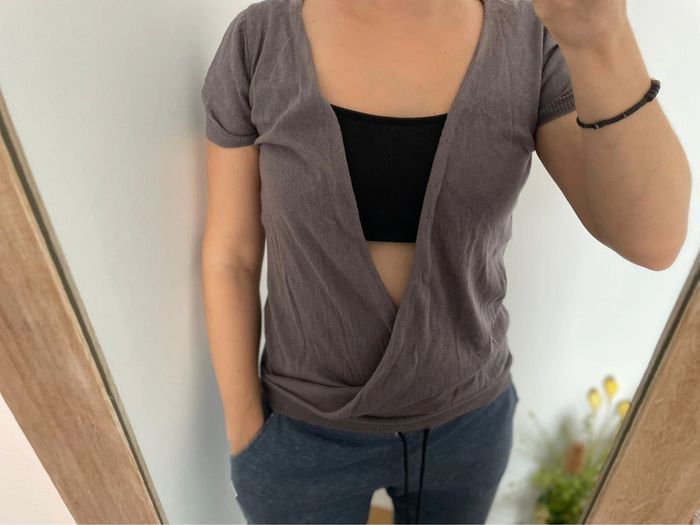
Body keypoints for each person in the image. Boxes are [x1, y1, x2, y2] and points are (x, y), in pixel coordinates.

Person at [200, 0, 680, 523]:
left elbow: (653, 241)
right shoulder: (260, 41)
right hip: (301, 433)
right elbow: (232, 255)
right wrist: (246, 431)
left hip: (467, 426)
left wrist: (600, 35)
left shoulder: (529, 39)